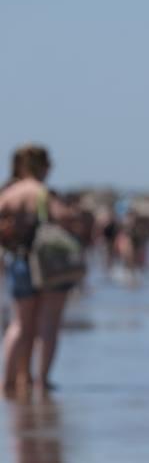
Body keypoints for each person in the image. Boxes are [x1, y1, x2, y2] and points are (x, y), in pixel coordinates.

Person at [0, 145, 80, 395]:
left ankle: (10, 380)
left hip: (19, 260)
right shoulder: (42, 192)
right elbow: (63, 218)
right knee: (48, 323)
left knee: (20, 324)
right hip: (47, 263)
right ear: (43, 167)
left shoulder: (10, 192)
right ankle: (40, 380)